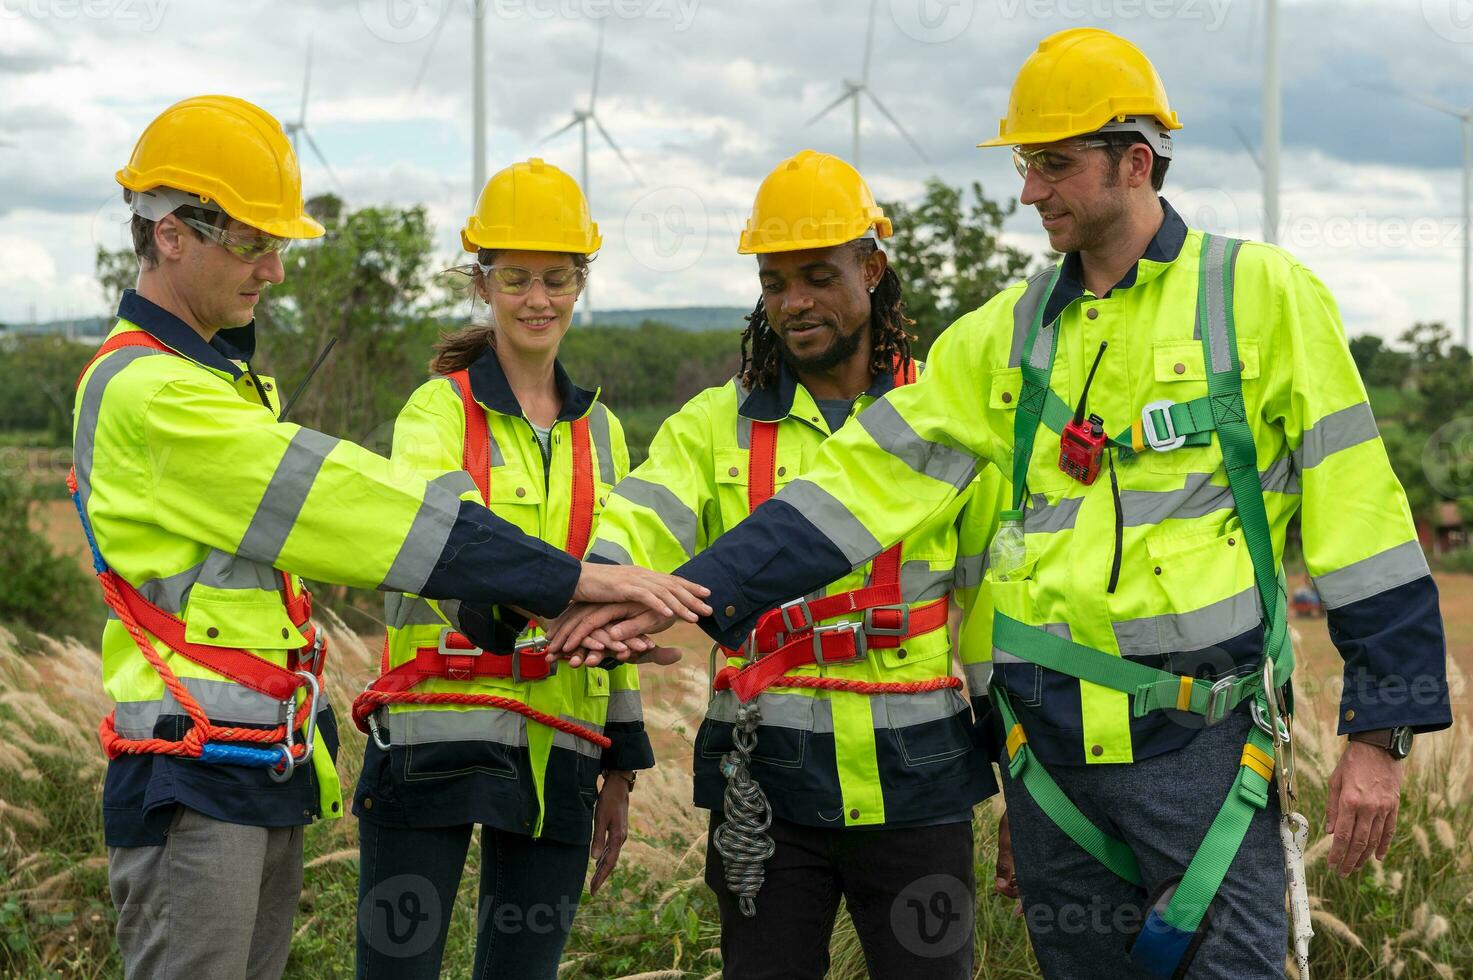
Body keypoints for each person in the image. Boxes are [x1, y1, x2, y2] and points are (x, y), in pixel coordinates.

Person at [553, 29, 1452, 980]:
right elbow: (855, 487)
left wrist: (1379, 730)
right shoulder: (1005, 335)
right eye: (1026, 166)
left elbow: (1362, 517)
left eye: (1053, 165)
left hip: (1206, 754)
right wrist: (677, 593)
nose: (1029, 192)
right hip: (1048, 759)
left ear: (1134, 162)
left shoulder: (1258, 297)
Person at [79, 97, 707, 980]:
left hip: (251, 762)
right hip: (199, 768)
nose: (277, 272)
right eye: (256, 243)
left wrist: (616, 727)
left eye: (279, 246)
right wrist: (570, 585)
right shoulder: (156, 393)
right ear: (173, 232)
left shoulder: (211, 382)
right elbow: (358, 507)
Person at [583, 149, 1002, 979]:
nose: (793, 303)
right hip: (761, 781)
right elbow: (636, 519)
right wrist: (588, 584)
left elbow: (993, 607)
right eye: (775, 284)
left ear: (872, 269)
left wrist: (1021, 780)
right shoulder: (711, 425)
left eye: (817, 276)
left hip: (918, 786)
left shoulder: (948, 423)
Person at [351, 158, 652, 979]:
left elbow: (618, 597)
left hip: (561, 748)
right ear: (481, 285)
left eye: (556, 279)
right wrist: (555, 609)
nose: (537, 300)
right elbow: (441, 547)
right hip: (431, 735)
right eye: (515, 278)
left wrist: (619, 757)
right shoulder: (434, 410)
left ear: (580, 282)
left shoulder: (605, 434)